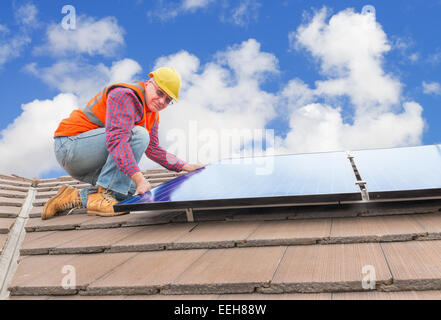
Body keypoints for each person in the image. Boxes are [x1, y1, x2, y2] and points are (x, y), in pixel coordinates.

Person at [42, 67, 204, 220]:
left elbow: (153, 149)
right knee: (139, 135)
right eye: (159, 93)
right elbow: (117, 140)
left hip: (90, 158)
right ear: (148, 84)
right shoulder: (125, 95)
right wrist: (140, 179)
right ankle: (101, 194)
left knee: (127, 191)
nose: (161, 101)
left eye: (168, 100)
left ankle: (72, 197)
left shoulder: (152, 115)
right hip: (70, 147)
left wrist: (185, 166)